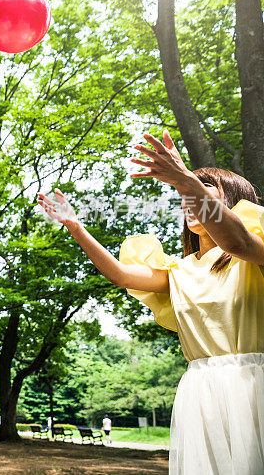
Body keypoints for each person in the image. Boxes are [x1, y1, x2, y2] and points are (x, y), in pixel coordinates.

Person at [38, 130, 264, 474]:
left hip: (253, 387)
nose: (189, 202)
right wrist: (76, 227)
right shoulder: (179, 269)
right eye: (186, 197)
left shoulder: (254, 250)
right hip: (201, 390)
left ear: (231, 203)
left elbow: (237, 242)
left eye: (202, 194)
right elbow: (122, 276)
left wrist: (185, 179)